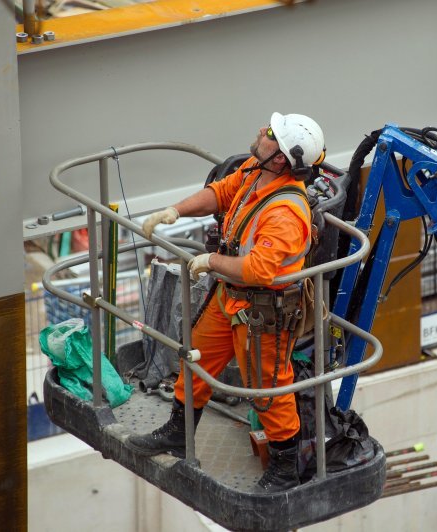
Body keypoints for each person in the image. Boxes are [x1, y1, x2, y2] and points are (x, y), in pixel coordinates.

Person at [127, 112, 326, 492]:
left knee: (268, 389)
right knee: (196, 355)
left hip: (263, 312)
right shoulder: (256, 170)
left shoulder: (285, 212)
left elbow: (259, 269)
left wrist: (211, 261)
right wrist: (175, 211)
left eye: (270, 133)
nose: (261, 132)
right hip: (231, 297)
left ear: (281, 156)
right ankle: (177, 430)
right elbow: (221, 192)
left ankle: (285, 467)